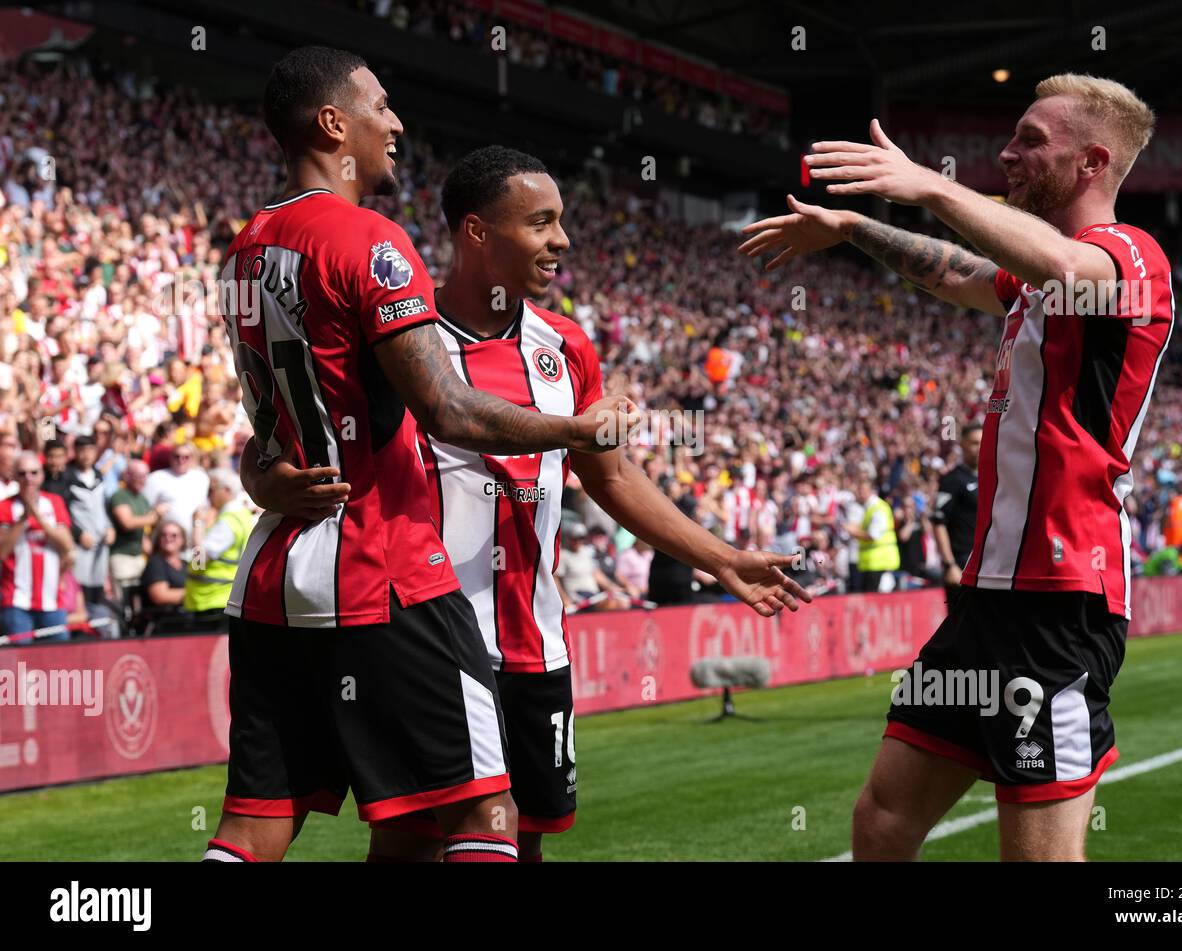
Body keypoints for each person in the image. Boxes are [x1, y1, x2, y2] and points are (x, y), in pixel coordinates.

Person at [248, 144, 808, 863]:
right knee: (411, 843)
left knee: (524, 843)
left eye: (561, 222)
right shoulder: (396, 341)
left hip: (535, 644)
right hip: (426, 638)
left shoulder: (567, 347)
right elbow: (284, 428)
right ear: (478, 231)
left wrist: (721, 558)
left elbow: (611, 479)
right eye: (542, 222)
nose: (562, 241)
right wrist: (263, 478)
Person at [204, 47, 636, 866]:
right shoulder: (369, 238)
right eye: (380, 105)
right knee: (484, 818)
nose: (396, 123)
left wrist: (258, 473)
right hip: (383, 562)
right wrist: (578, 430)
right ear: (334, 124)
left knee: (255, 827)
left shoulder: (245, 249)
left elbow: (273, 425)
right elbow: (448, 405)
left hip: (273, 573)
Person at [741, 73, 1172, 860]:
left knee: (1036, 853)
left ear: (1092, 162)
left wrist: (927, 186)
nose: (1007, 153)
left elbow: (1066, 271)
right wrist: (852, 225)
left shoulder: (1128, 257)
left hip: (1060, 603)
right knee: (882, 820)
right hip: (984, 604)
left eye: (1032, 141)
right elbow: (958, 274)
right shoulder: (1035, 281)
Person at [0, 452, 76, 638]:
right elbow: (2, 551)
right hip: (16, 600)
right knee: (19, 663)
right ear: (15, 476)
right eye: (23, 473)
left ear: (42, 475)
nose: (29, 478)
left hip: (52, 600)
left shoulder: (54, 502)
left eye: (34, 472)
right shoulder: (5, 507)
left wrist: (39, 520)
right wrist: (24, 519)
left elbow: (67, 545)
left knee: (58, 663)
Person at [182, 469, 252, 620]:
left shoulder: (229, 521)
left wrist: (197, 523)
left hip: (211, 600)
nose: (209, 495)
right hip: (223, 598)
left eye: (212, 490)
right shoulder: (242, 515)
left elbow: (198, 561)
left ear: (227, 490)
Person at [67, 435, 116, 631]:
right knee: (80, 591)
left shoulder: (98, 476)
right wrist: (77, 533)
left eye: (90, 450)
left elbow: (104, 507)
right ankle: (81, 633)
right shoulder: (67, 477)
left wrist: (110, 527)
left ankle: (97, 634)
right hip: (80, 546)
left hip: (100, 546)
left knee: (98, 591)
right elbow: (62, 512)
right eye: (82, 450)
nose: (86, 455)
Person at [932, 422, 981, 609]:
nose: (979, 448)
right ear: (962, 445)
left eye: (982, 443)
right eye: (974, 443)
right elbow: (938, 522)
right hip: (961, 565)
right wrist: (950, 564)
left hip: (987, 565)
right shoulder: (952, 479)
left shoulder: (992, 476)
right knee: (962, 630)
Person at [110, 460, 165, 601]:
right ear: (127, 476)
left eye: (145, 476)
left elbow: (142, 531)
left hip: (138, 557)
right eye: (139, 476)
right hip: (122, 556)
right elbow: (127, 523)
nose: (143, 480)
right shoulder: (120, 495)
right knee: (123, 602)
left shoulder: (142, 499)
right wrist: (155, 516)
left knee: (138, 602)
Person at [142, 443, 210, 529]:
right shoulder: (156, 478)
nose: (181, 460)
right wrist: (155, 511)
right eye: (177, 456)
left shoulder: (202, 478)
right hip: (165, 536)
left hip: (194, 536)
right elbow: (143, 507)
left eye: (186, 457)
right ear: (170, 457)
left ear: (192, 458)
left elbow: (205, 506)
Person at [850, 478, 899, 593]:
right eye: (858, 490)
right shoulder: (869, 508)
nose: (859, 493)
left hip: (879, 564)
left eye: (862, 490)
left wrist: (853, 531)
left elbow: (873, 535)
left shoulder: (878, 508)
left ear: (871, 491)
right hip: (872, 564)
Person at [140, 519, 188, 622]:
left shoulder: (187, 564)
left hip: (187, 618)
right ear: (158, 539)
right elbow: (160, 596)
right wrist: (194, 593)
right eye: (163, 535)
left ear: (183, 540)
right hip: (165, 622)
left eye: (174, 535)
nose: (168, 538)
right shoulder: (155, 563)